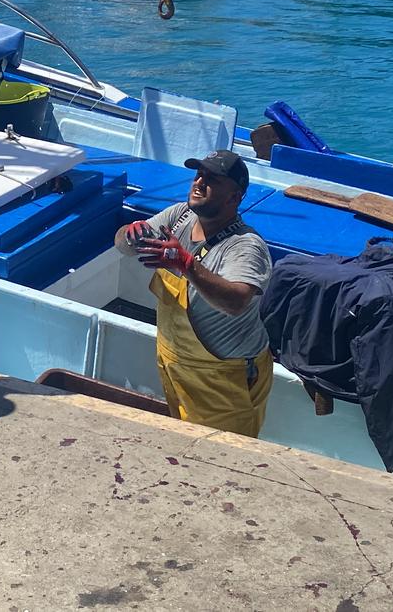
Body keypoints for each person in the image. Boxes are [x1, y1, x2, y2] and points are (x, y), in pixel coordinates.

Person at [114, 150, 274, 437]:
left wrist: (185, 264)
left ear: (234, 197)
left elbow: (236, 301)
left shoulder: (245, 246)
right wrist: (129, 233)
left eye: (211, 179)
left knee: (223, 458)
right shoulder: (180, 216)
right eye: (198, 174)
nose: (199, 182)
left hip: (223, 378)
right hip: (172, 361)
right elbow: (123, 245)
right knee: (183, 443)